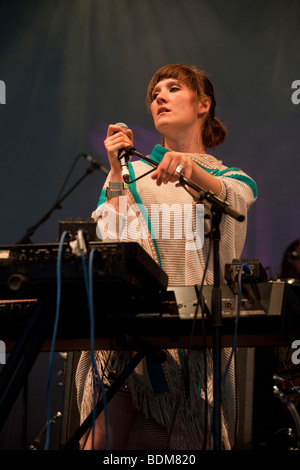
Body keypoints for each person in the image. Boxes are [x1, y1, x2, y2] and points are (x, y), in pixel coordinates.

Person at [75, 64, 257, 450]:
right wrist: (114, 171)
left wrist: (194, 171)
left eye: (173, 88)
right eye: (155, 93)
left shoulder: (231, 178)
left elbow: (235, 200)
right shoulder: (134, 173)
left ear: (203, 104)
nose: (159, 96)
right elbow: (109, 243)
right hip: (126, 330)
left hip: (191, 337)